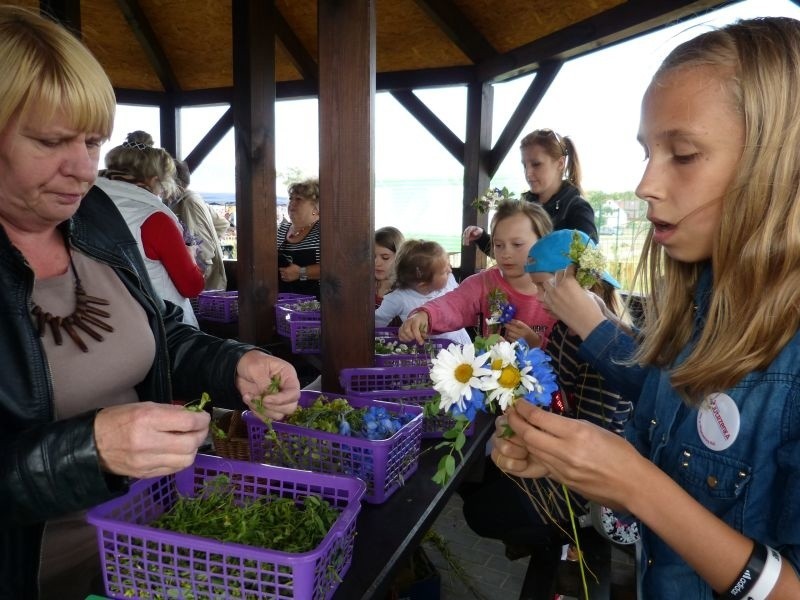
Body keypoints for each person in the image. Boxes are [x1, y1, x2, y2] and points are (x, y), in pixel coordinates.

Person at [491, 17, 800, 598]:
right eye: (646, 152)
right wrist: (577, 463)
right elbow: (665, 417)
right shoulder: (698, 301)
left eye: (682, 154)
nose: (644, 185)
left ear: (781, 164)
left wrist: (637, 487)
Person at [0, 7, 301, 599]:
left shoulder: (98, 216)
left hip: (149, 543)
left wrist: (233, 361)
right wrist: (91, 449)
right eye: (51, 141)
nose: (84, 169)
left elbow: (159, 331)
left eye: (92, 142)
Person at [460, 229, 635, 579]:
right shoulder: (566, 331)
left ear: (578, 282)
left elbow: (591, 435)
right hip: (556, 454)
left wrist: (528, 424)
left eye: (545, 287)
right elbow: (551, 385)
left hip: (581, 483)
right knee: (471, 481)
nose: (540, 298)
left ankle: (563, 534)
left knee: (477, 512)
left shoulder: (609, 349)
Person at [399, 199, 556, 348]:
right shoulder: (483, 283)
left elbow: (571, 351)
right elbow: (454, 304)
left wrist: (535, 342)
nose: (506, 253)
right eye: (498, 244)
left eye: (517, 244)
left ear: (543, 242)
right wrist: (424, 316)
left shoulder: (558, 291)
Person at [95, 130, 204, 326]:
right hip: (161, 325)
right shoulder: (154, 219)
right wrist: (190, 254)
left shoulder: (85, 207)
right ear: (154, 180)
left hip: (102, 319)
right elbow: (191, 286)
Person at [463, 129, 597, 257]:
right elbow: (510, 255)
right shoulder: (523, 206)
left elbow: (587, 263)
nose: (528, 173)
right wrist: (482, 238)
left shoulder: (577, 209)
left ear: (560, 163)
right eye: (524, 165)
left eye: (536, 164)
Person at [375, 239, 471, 344]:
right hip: (430, 353)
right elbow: (377, 321)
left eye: (449, 265)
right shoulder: (399, 298)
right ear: (423, 284)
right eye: (444, 271)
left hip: (461, 345)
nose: (450, 270)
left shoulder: (449, 281)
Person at [167, 158, 230, 291]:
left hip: (203, 284)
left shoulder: (188, 203)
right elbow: (222, 224)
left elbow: (201, 247)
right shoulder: (194, 199)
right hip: (207, 279)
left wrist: (196, 280)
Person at [278, 177, 321, 299]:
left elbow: (335, 268)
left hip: (315, 305)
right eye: (291, 198)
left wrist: (301, 273)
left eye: (299, 199)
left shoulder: (324, 231)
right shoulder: (281, 230)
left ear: (315, 207)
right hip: (283, 302)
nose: (292, 203)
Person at [374, 225, 405, 308]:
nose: (377, 263)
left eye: (385, 258)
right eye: (373, 257)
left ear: (400, 258)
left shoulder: (404, 291)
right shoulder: (363, 285)